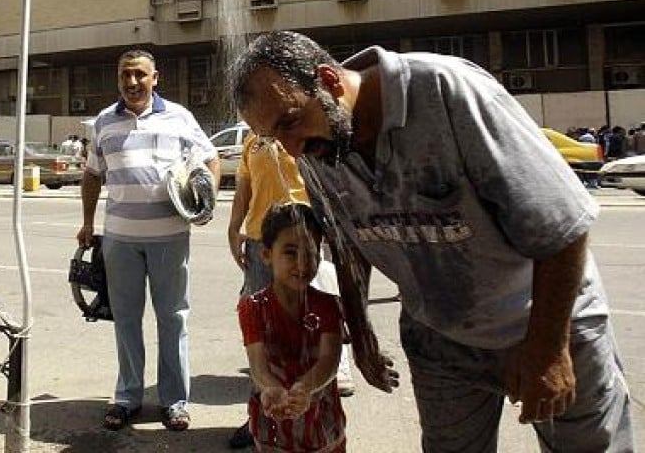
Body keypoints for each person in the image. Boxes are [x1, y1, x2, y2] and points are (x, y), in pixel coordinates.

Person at [230, 30, 634, 452]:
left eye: (292, 121)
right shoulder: (316, 148)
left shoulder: (445, 91)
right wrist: (360, 327)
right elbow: (346, 240)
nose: (292, 151)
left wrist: (549, 349)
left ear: (330, 82)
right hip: (440, 340)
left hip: (547, 321)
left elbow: (561, 224)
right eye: (277, 138)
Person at [76, 49, 219, 432]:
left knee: (173, 318)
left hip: (171, 237)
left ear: (155, 78)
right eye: (125, 75)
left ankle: (174, 401)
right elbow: (92, 175)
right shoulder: (104, 122)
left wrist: (206, 203)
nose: (132, 82)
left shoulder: (179, 117)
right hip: (120, 239)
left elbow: (209, 159)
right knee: (126, 320)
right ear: (118, 78)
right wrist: (88, 222)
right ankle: (128, 396)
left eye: (140, 74)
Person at [227, 131, 354, 449]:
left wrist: (307, 388)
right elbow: (245, 184)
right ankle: (264, 414)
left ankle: (310, 405)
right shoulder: (253, 141)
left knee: (310, 327)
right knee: (264, 326)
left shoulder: (305, 132)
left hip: (306, 229)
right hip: (263, 238)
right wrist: (234, 226)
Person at [238, 202, 347, 453]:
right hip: (273, 427)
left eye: (311, 252)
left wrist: (304, 388)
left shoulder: (328, 305)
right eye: (290, 252)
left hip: (321, 423)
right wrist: (270, 387)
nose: (302, 263)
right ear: (266, 255)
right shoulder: (253, 308)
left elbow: (329, 360)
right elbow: (257, 364)